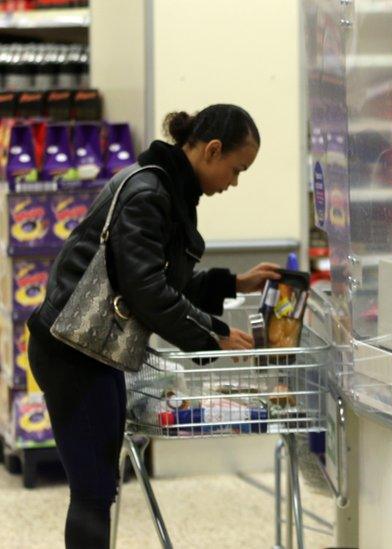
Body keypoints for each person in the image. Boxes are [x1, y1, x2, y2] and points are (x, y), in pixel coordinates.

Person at [27, 104, 282, 548]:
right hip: (72, 352)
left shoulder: (165, 188)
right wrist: (213, 335)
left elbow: (159, 281)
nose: (234, 182)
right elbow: (147, 292)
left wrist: (233, 282)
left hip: (92, 348)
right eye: (236, 169)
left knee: (100, 485)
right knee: (92, 489)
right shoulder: (150, 193)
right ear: (212, 150)